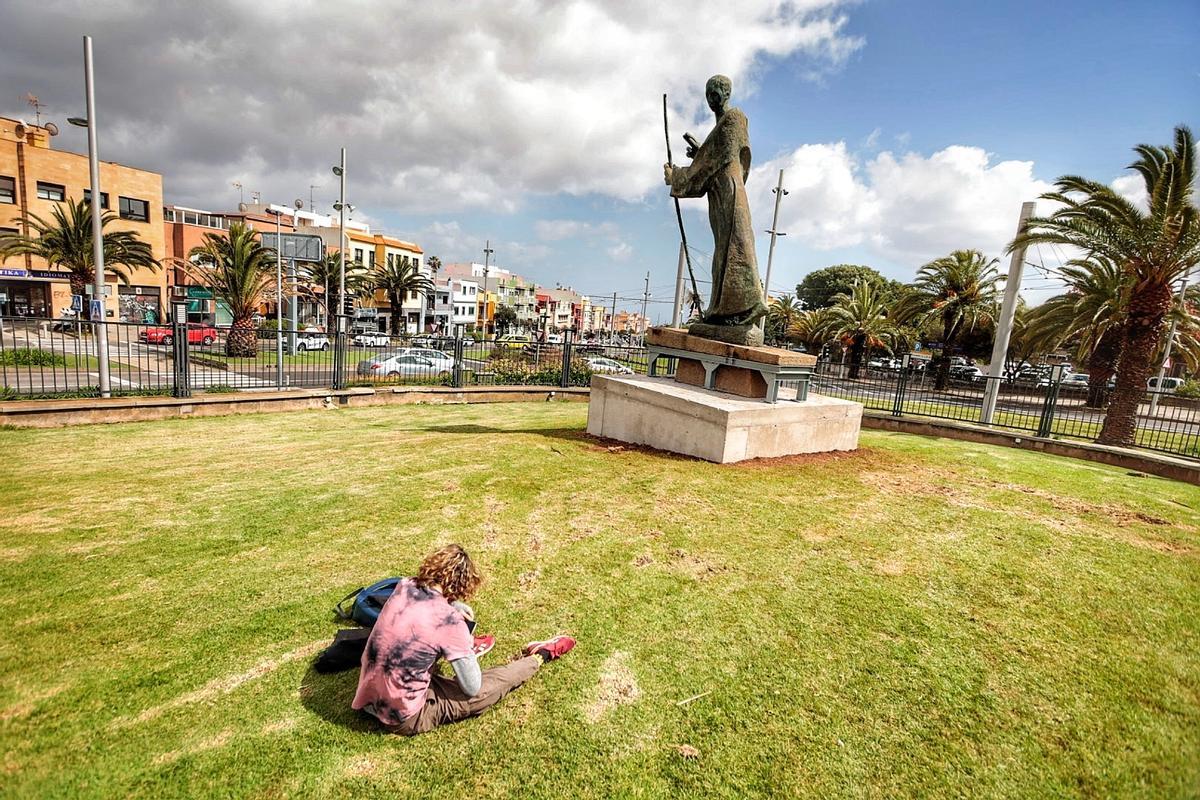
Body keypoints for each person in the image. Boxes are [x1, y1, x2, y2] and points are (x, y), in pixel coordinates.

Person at [351, 544, 575, 736]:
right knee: (487, 688)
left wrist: (454, 608)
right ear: (462, 585)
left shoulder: (405, 585)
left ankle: (458, 655)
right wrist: (463, 640)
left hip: (370, 696)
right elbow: (471, 688)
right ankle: (541, 655)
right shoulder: (448, 622)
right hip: (402, 715)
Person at [663, 74, 767, 334]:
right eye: (708, 94)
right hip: (719, 194)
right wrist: (701, 154)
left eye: (716, 93)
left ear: (727, 93)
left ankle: (749, 304)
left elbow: (718, 161)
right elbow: (714, 158)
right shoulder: (721, 127)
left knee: (738, 246)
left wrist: (676, 175)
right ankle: (722, 312)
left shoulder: (734, 119)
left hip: (730, 193)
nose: (712, 99)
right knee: (723, 251)